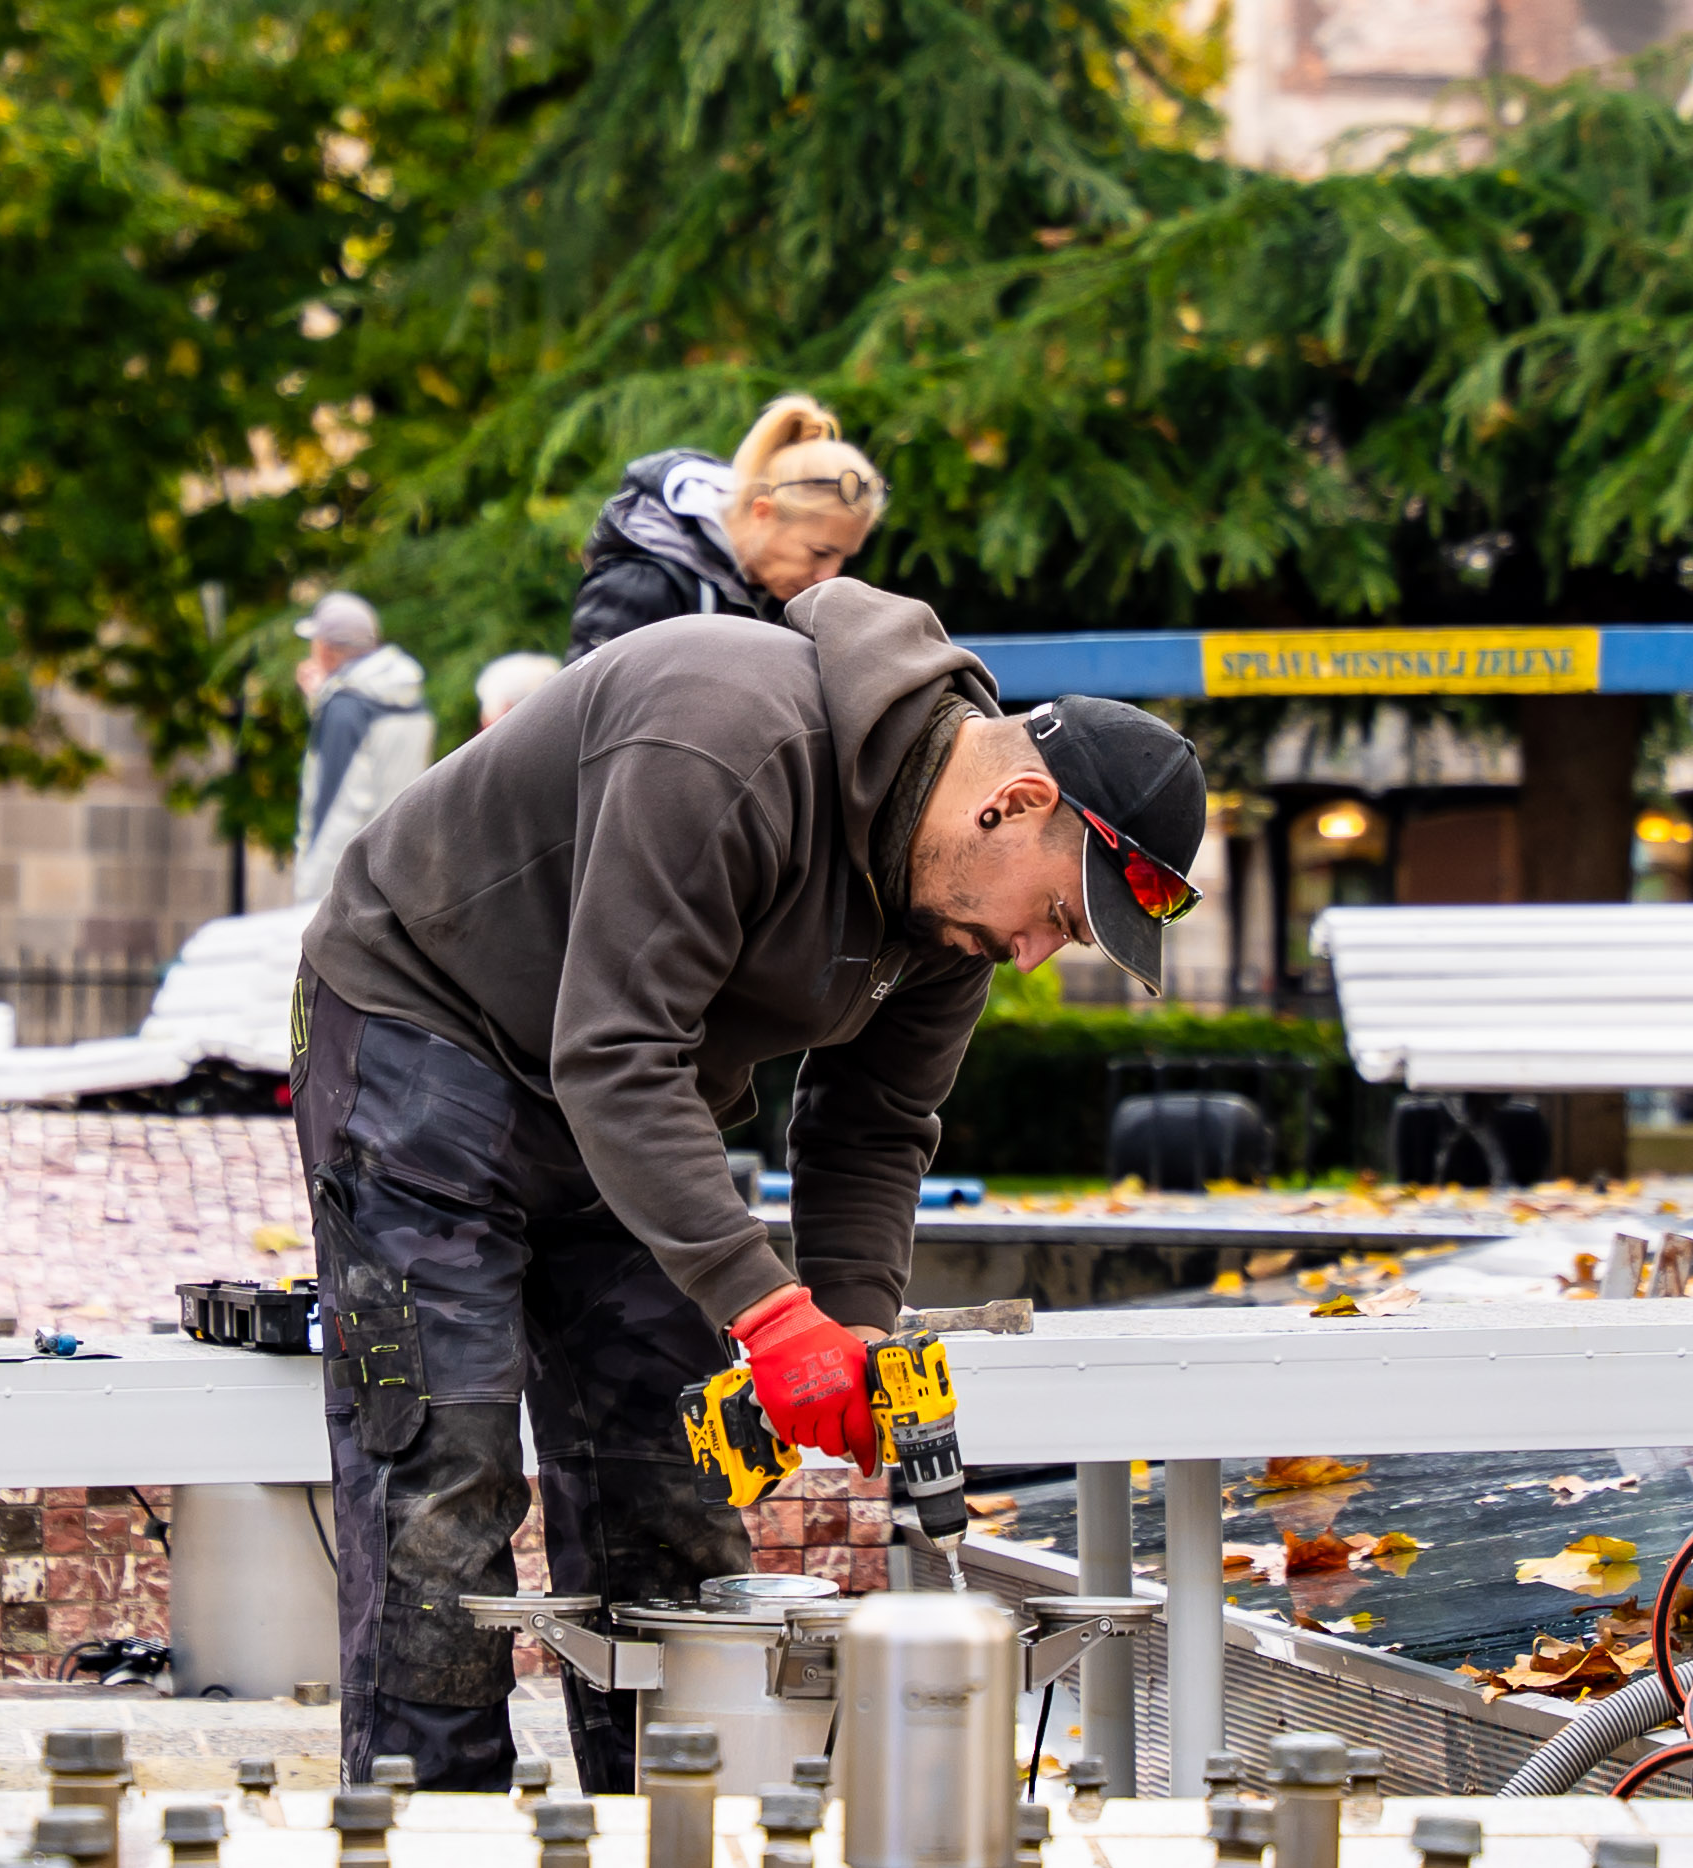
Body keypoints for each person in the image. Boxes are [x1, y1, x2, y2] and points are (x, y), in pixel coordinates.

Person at [293, 580, 1211, 1789]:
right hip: (426, 1033)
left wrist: (849, 1325)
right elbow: (613, 1051)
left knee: (662, 1484)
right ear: (1017, 801)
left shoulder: (951, 914)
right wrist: (765, 1310)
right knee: (446, 1477)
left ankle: (673, 1851)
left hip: (620, 1093)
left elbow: (877, 1123)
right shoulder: (724, 734)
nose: (1036, 951)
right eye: (1055, 912)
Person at [568, 395, 892, 655]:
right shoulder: (641, 585)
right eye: (820, 552)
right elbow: (584, 719)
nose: (829, 576)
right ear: (763, 513)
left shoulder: (776, 597)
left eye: (843, 558)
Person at [286, 591, 431, 903]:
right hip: (397, 867)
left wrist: (310, 893)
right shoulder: (408, 695)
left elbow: (336, 805)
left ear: (324, 648)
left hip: (348, 883)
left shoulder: (346, 709)